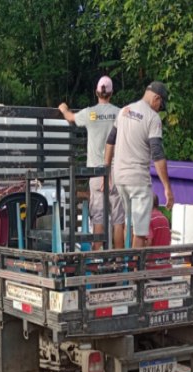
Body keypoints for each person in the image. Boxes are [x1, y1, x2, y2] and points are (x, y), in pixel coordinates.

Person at [104, 81, 174, 248]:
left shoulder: (124, 111)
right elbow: (157, 153)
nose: (159, 109)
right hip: (138, 180)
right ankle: (136, 271)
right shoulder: (152, 118)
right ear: (156, 98)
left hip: (120, 177)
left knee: (130, 223)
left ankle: (127, 265)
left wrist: (106, 171)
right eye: (161, 105)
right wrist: (167, 188)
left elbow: (110, 141)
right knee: (141, 232)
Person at [59, 76, 125, 249]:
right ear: (111, 93)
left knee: (98, 218)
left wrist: (63, 107)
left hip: (96, 174)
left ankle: (97, 260)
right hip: (115, 173)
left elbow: (70, 117)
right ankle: (119, 261)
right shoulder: (120, 113)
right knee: (119, 220)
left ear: (96, 92)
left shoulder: (90, 114)